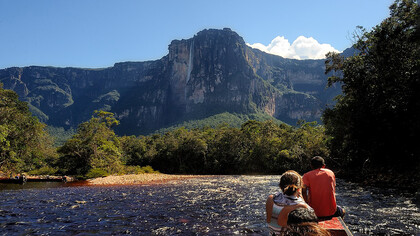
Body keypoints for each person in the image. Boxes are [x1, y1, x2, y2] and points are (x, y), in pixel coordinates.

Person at [266, 170, 310, 235]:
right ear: (299, 188)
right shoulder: (301, 205)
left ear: (280, 186)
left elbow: (269, 221)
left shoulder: (271, 198)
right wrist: (301, 197)